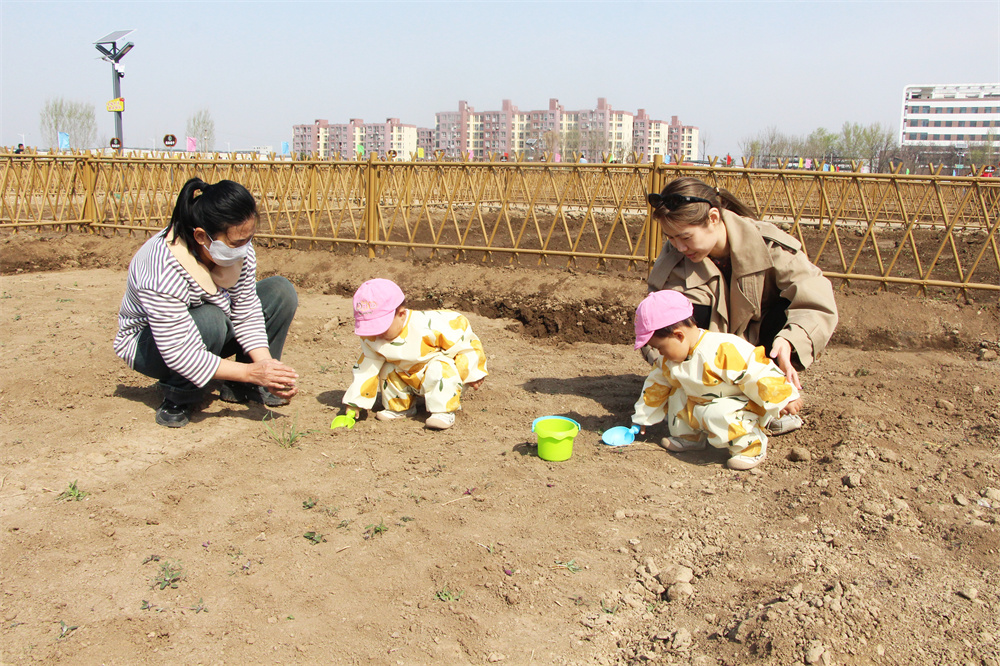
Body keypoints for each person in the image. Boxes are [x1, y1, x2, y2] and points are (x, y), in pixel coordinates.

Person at [645, 177, 837, 434]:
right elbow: (654, 323)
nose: (679, 246)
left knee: (789, 312)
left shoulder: (769, 245)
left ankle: (772, 397)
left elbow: (816, 301)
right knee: (677, 315)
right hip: (709, 364)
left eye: (685, 237)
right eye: (671, 238)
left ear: (713, 218)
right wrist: (674, 375)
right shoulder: (674, 260)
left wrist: (791, 342)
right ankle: (709, 399)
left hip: (764, 349)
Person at [114, 177, 299, 428]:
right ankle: (180, 395)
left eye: (249, 239)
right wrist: (251, 371)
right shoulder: (161, 264)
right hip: (153, 345)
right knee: (211, 318)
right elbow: (177, 350)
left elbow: (246, 309)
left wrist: (264, 366)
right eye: (236, 243)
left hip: (212, 330)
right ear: (201, 236)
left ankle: (243, 385)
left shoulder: (238, 248)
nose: (245, 249)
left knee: (279, 291)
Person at [631, 290, 801, 470]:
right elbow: (655, 387)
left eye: (660, 348)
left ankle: (751, 445)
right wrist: (643, 417)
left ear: (679, 335)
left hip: (739, 405)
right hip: (700, 401)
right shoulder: (668, 362)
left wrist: (784, 398)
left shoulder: (723, 349)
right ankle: (690, 437)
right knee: (677, 396)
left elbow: (757, 370)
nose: (660, 354)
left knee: (717, 412)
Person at [342, 278, 487, 430]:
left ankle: (443, 411)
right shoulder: (372, 338)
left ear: (401, 314)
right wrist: (354, 402)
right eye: (371, 328)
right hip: (406, 375)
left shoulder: (428, 325)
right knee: (387, 369)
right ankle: (400, 407)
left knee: (439, 368)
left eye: (381, 328)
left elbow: (463, 342)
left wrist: (473, 372)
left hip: (435, 371)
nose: (376, 335)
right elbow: (366, 367)